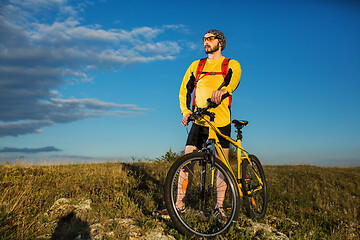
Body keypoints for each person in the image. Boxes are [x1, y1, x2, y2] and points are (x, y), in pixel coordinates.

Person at [177, 29, 241, 215]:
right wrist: (186, 111)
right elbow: (184, 90)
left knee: (222, 163)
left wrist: (223, 91)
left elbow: (233, 81)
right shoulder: (196, 65)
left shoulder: (231, 64)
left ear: (220, 42)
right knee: (186, 161)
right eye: (204, 39)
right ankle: (179, 205)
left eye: (210, 39)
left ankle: (218, 207)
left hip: (221, 121)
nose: (206, 42)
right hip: (200, 120)